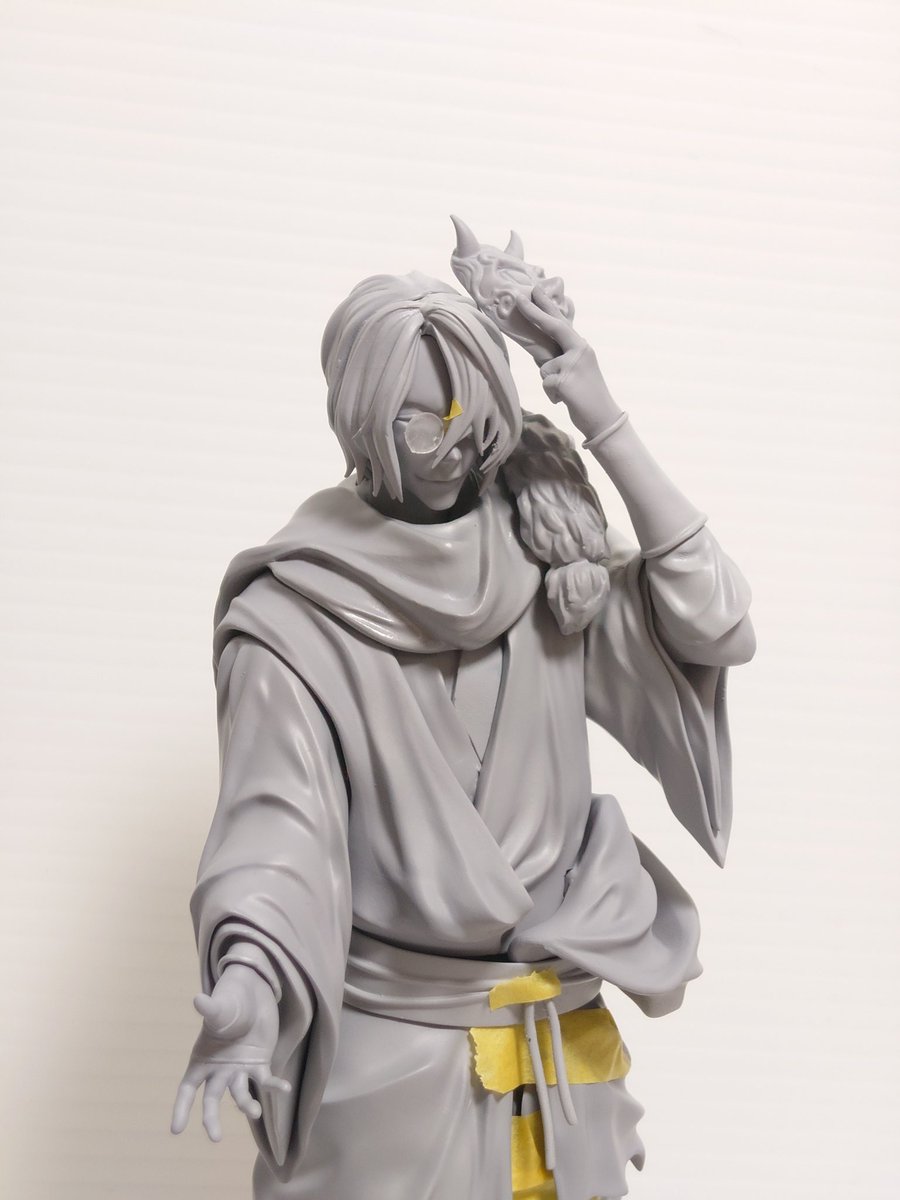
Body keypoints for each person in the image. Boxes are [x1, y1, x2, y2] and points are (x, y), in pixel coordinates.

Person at [172, 260, 754, 1200]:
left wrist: (599, 413)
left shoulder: (548, 552)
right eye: (420, 419)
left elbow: (716, 621)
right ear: (360, 417)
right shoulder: (294, 617)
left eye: (468, 413)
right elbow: (275, 826)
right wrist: (248, 978)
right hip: (392, 1065)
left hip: (557, 1062)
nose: (451, 445)